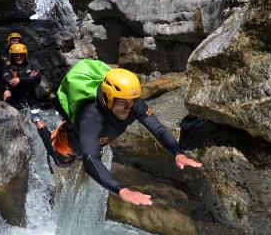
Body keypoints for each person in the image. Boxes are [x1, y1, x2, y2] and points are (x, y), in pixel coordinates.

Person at [31, 62, 202, 206]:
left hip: (98, 138)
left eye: (132, 101)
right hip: (70, 143)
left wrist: (177, 153)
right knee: (58, 158)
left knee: (93, 143)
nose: (129, 108)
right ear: (107, 97)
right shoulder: (91, 117)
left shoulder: (132, 103)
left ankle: (66, 119)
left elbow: (158, 129)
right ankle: (39, 122)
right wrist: (121, 190)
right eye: (123, 103)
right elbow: (90, 159)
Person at [3, 43, 41, 108]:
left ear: (25, 55)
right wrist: (29, 78)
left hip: (32, 101)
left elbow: (37, 79)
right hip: (15, 103)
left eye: (21, 55)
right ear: (12, 57)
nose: (19, 57)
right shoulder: (8, 68)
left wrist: (20, 80)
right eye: (16, 55)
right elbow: (11, 82)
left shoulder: (31, 66)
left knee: (38, 118)